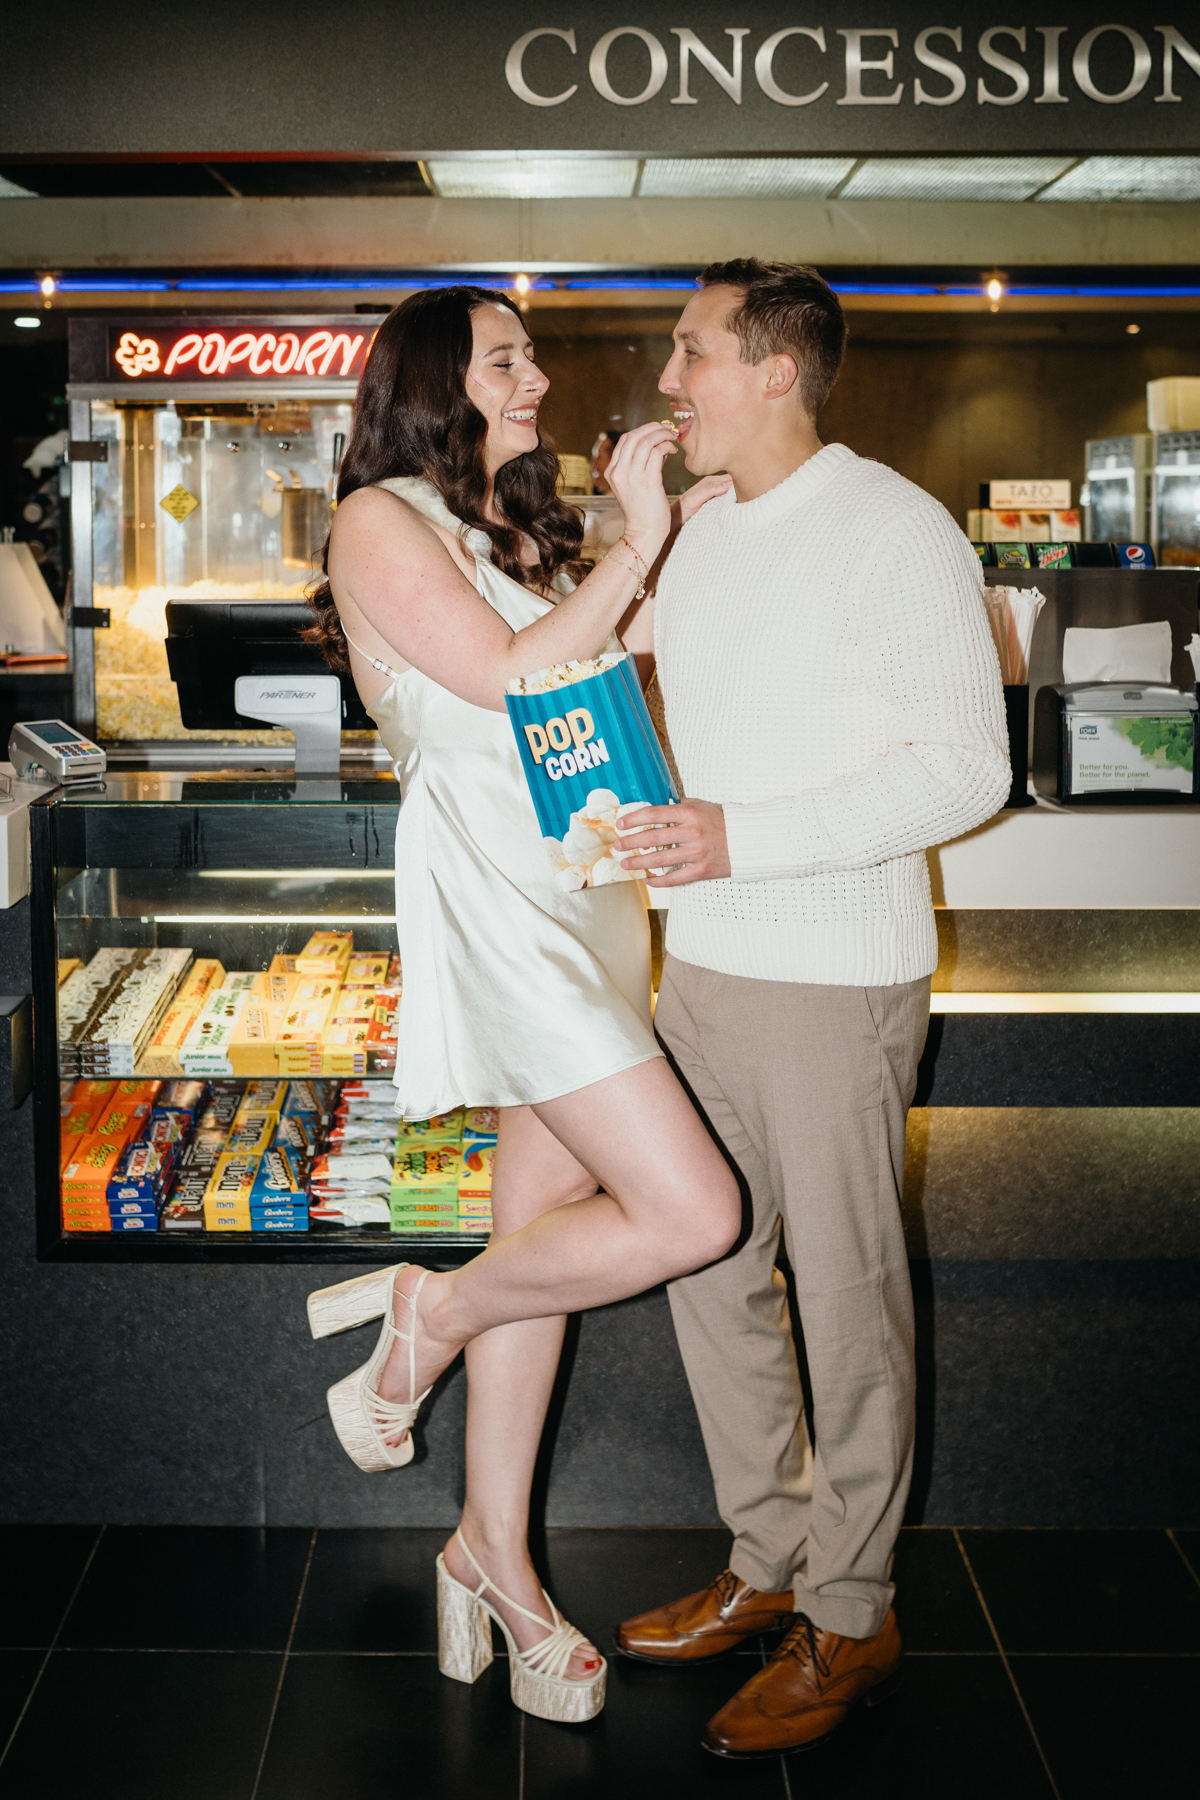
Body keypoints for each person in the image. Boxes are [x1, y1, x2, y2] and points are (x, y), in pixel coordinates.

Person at [301, 286, 739, 1729]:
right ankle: (429, 1314)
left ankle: (495, 1556)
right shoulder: (380, 519)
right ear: (439, 380)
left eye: (534, 353)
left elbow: (605, 671)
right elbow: (500, 678)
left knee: (538, 1242)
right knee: (694, 1213)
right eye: (507, 358)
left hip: (586, 895)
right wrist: (644, 545)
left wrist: (645, 542)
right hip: (498, 903)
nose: (538, 375)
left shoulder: (507, 527)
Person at [610, 260, 1010, 1758]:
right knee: (711, 1269)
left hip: (834, 974)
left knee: (845, 1305)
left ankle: (853, 1610)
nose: (668, 380)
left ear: (777, 370)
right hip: (701, 964)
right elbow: (657, 699)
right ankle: (770, 1559)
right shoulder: (707, 537)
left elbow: (967, 768)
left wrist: (739, 837)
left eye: (692, 353)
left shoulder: (896, 531)